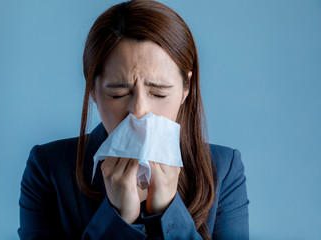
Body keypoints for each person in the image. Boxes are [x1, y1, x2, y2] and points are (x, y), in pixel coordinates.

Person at [18, 0, 249, 239]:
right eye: (118, 93)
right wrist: (118, 217)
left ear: (185, 89)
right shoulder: (48, 169)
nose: (139, 111)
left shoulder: (223, 169)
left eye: (158, 93)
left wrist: (167, 211)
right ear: (93, 91)